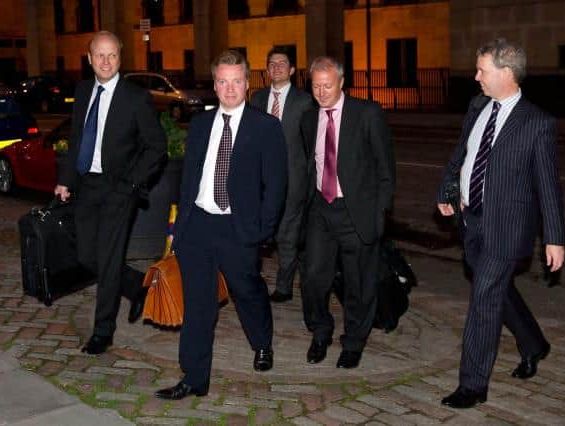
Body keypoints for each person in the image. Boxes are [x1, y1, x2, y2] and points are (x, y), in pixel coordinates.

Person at [436, 38, 565, 409]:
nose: (476, 77)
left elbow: (548, 186)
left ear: (507, 73)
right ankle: (533, 344)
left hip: (506, 227)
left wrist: (554, 238)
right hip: (470, 220)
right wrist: (447, 190)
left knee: (483, 299)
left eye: (482, 71)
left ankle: (473, 386)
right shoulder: (478, 106)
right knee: (496, 291)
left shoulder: (537, 123)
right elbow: (462, 154)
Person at [155, 50, 287, 400]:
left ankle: (262, 342)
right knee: (198, 304)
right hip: (198, 225)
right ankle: (194, 377)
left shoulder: (265, 127)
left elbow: (276, 185)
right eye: (223, 81)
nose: (230, 88)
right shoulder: (199, 125)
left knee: (247, 291)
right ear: (215, 85)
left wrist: (263, 231)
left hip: (238, 228)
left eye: (237, 81)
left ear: (247, 83)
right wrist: (178, 227)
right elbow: (187, 180)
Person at [54, 31, 167, 355]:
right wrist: (66, 179)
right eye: (99, 56)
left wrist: (132, 184)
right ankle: (135, 286)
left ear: (120, 59)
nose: (105, 61)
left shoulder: (135, 97)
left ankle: (103, 331)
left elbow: (156, 147)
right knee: (86, 255)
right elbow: (77, 139)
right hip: (87, 185)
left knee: (108, 258)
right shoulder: (83, 89)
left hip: (120, 189)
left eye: (112, 56)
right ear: (89, 59)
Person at [300, 56, 395, 369]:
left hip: (356, 211)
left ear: (342, 82)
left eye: (328, 85)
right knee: (313, 276)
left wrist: (380, 214)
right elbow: (310, 163)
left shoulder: (367, 113)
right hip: (320, 209)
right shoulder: (308, 117)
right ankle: (321, 330)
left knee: (358, 283)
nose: (322, 92)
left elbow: (385, 168)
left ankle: (354, 341)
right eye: (316, 85)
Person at [251, 47, 313, 303]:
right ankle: (251, 282)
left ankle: (284, 287)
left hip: (292, 181)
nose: (276, 67)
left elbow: (311, 145)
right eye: (271, 63)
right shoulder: (257, 98)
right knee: (257, 233)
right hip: (261, 181)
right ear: (267, 71)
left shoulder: (304, 101)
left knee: (287, 234)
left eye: (282, 63)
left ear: (291, 70)